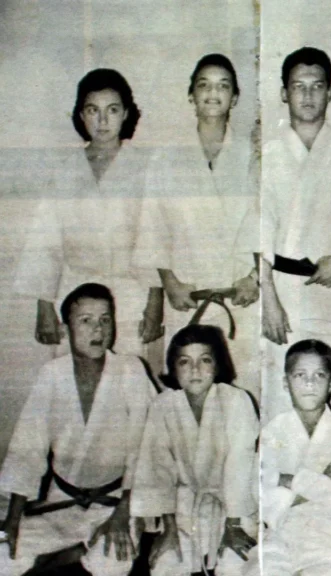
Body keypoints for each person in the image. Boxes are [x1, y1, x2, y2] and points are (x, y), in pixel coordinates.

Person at [0, 283, 155, 576]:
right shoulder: (52, 375)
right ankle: (73, 552)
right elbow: (27, 448)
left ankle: (77, 552)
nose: (98, 330)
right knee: (3, 554)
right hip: (62, 503)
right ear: (65, 329)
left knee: (111, 563)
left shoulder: (130, 370)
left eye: (105, 319)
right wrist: (13, 518)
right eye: (86, 320)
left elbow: (145, 448)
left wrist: (124, 513)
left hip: (116, 504)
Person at [133, 53, 261, 401]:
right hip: (188, 296)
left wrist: (254, 277)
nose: (212, 93)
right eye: (203, 85)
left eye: (223, 86)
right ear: (191, 95)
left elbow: (265, 217)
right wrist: (169, 281)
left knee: (242, 391)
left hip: (239, 295)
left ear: (235, 97)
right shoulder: (167, 157)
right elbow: (154, 224)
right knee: (189, 394)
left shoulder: (253, 154)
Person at [13, 69, 161, 362]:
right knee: (73, 380)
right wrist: (45, 306)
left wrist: (155, 302)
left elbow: (155, 236)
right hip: (75, 291)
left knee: (129, 380)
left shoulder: (146, 167)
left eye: (112, 110)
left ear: (126, 114)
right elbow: (46, 240)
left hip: (130, 294)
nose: (103, 121)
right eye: (93, 110)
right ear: (81, 115)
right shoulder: (65, 170)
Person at [260, 47, 331, 428]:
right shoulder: (268, 154)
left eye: (316, 86)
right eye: (298, 87)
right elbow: (259, 228)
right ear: (284, 93)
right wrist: (267, 297)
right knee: (283, 389)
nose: (307, 96)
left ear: (330, 92)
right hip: (283, 289)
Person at [131, 324, 259, 576]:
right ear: (173, 368)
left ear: (218, 365)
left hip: (236, 504)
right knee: (166, 564)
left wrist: (232, 525)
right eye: (184, 362)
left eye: (205, 360)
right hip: (184, 504)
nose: (195, 370)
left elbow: (239, 465)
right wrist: (167, 530)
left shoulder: (236, 401)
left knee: (236, 564)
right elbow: (157, 470)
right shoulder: (163, 406)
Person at [258, 339, 331, 576]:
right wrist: (319, 479)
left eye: (319, 375)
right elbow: (265, 497)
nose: (309, 383)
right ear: (286, 382)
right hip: (280, 530)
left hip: (326, 528)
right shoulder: (273, 431)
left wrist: (287, 479)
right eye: (300, 375)